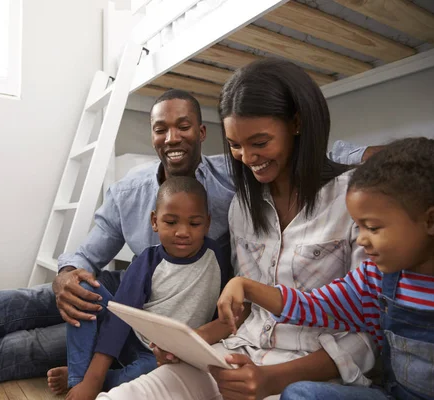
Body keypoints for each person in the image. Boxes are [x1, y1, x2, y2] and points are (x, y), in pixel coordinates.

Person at [0, 89, 368, 400]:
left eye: (183, 126)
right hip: (113, 297)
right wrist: (68, 276)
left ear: (202, 133)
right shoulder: (131, 189)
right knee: (2, 306)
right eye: (161, 128)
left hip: (169, 325)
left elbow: (314, 157)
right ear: (153, 134)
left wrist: (388, 155)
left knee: (20, 351)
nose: (172, 137)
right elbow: (87, 253)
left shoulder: (239, 184)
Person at [97, 59, 378, 400]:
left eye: (259, 142)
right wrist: (189, 342)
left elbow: (370, 332)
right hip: (234, 356)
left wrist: (273, 379)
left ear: (297, 123)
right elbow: (241, 310)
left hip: (310, 377)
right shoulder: (242, 206)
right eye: (235, 145)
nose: (247, 157)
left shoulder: (353, 199)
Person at [218, 135, 434, 400]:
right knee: (301, 394)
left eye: (373, 228)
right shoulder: (374, 280)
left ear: (431, 221)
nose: (361, 239)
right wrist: (246, 287)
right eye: (358, 227)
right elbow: (311, 306)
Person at [52, 176, 231, 400]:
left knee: (151, 375)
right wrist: (90, 382)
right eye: (171, 222)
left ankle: (101, 378)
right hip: (131, 336)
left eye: (194, 223)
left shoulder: (218, 257)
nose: (183, 232)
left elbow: (221, 307)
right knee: (84, 287)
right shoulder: (148, 261)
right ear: (155, 221)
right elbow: (119, 320)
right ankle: (80, 379)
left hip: (160, 355)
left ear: (207, 222)